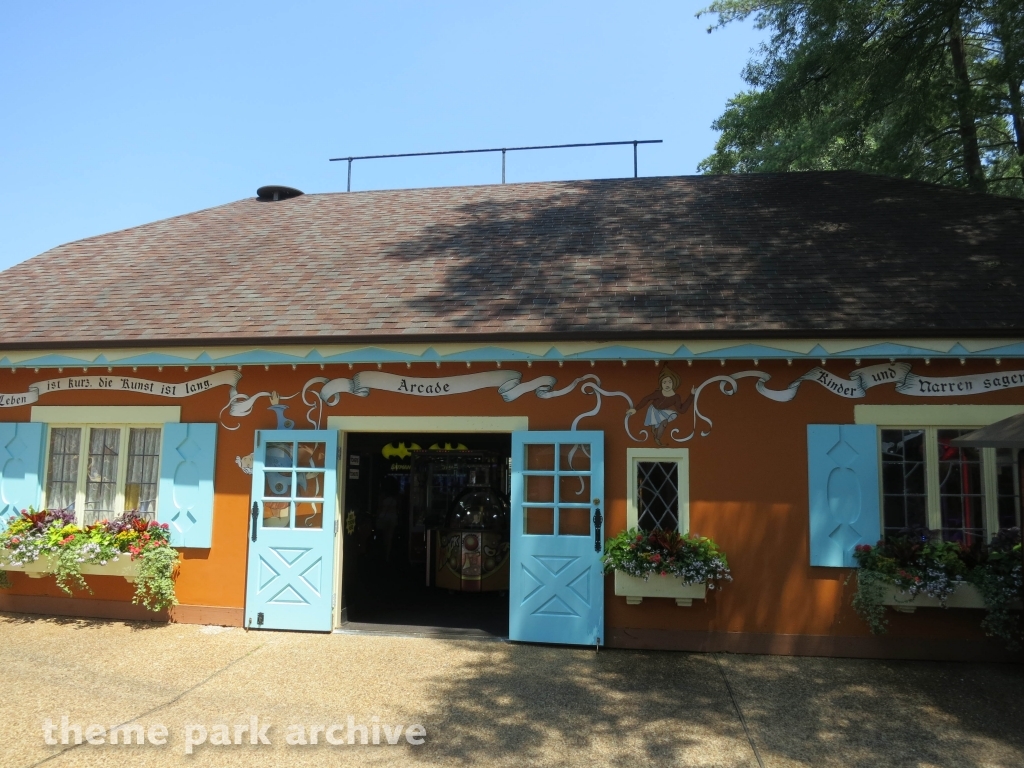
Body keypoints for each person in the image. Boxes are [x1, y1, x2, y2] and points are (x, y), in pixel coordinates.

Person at [626, 367, 695, 446]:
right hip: (653, 410)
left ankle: (657, 438)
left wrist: (692, 395)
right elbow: (647, 398)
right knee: (658, 424)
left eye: (669, 382)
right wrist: (635, 409)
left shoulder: (676, 397)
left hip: (663, 411)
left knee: (664, 423)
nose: (667, 384)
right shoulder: (659, 393)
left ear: (674, 382)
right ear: (661, 384)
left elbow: (682, 410)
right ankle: (654, 428)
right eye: (664, 382)